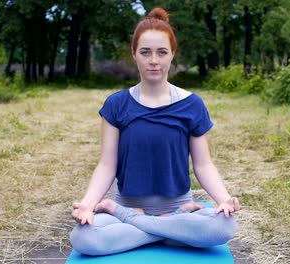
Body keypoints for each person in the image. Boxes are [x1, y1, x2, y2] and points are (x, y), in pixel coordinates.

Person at [70, 7, 240, 256]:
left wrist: (223, 199)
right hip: (128, 204)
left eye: (162, 52)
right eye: (145, 52)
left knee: (224, 226)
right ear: (134, 54)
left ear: (172, 54)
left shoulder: (192, 105)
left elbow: (204, 165)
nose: (153, 60)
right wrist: (87, 204)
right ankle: (171, 228)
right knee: (83, 238)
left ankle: (143, 223)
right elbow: (106, 165)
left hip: (175, 204)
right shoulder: (116, 105)